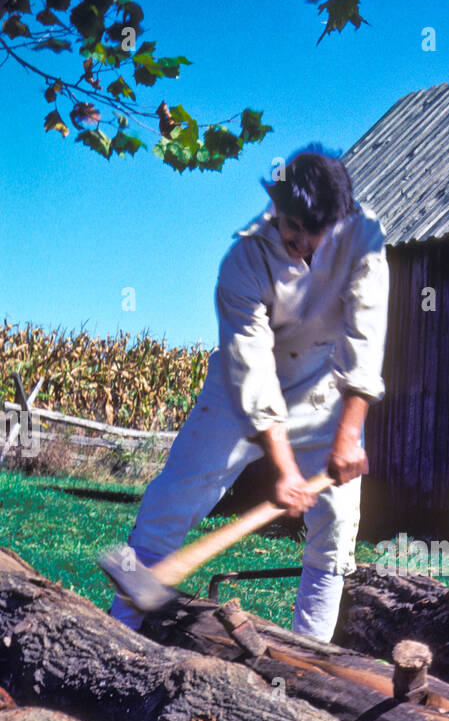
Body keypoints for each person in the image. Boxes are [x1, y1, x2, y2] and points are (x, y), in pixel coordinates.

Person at [109, 149, 389, 642]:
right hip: (241, 392)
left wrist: (347, 438)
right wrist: (284, 472)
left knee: (337, 526)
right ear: (275, 205)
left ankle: (311, 659)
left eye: (314, 232)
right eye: (293, 227)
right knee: (172, 500)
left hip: (323, 389)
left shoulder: (364, 239)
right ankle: (117, 635)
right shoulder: (243, 260)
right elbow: (252, 372)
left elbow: (364, 339)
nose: (302, 242)